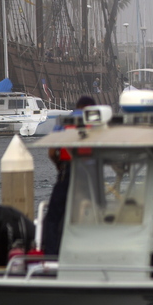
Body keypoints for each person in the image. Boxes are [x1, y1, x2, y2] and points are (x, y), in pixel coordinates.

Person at [42, 95, 96, 256]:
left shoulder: (64, 123)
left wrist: (60, 167)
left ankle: (52, 255)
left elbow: (52, 152)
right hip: (90, 176)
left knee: (54, 217)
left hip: (68, 172)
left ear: (77, 106)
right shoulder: (96, 125)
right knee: (91, 214)